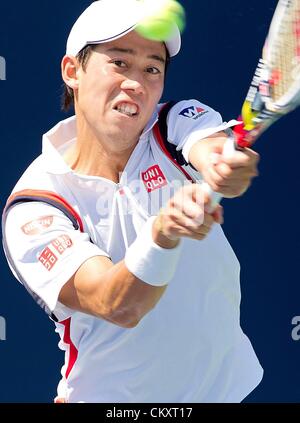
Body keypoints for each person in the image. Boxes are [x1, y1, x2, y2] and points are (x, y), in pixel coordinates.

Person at [2, 0, 263, 403]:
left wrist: (225, 168)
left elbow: (210, 149)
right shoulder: (36, 207)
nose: (136, 83)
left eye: (152, 68)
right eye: (120, 63)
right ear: (73, 71)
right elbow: (115, 303)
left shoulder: (177, 122)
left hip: (226, 392)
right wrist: (162, 234)